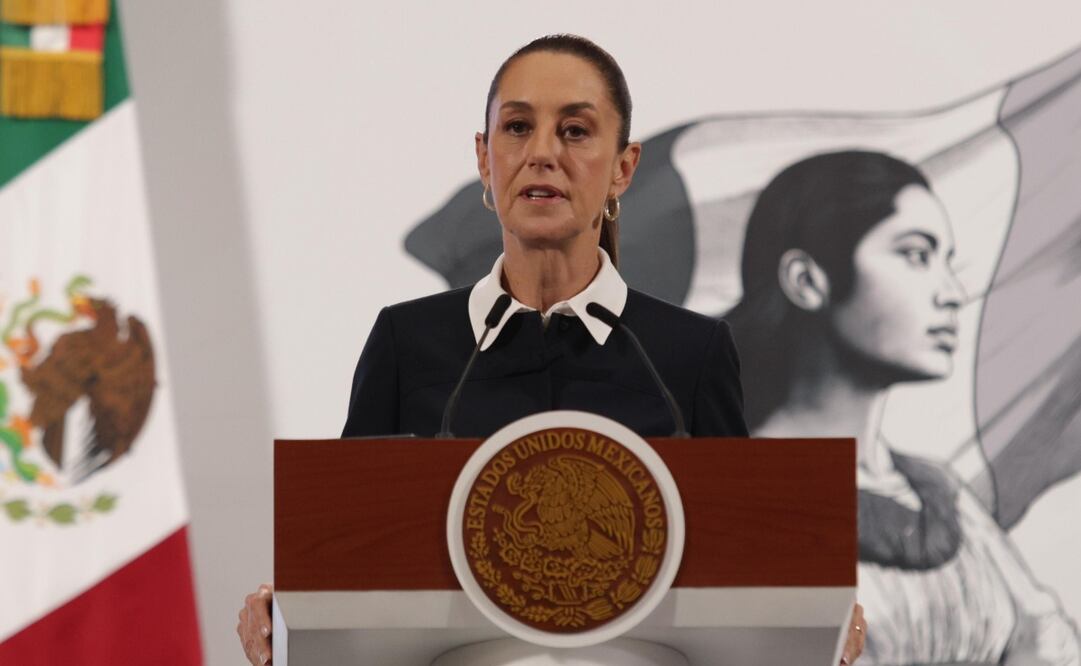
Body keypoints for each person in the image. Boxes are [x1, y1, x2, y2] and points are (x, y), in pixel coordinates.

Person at [237, 35, 865, 665]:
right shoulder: (409, 343)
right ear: (485, 159)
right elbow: (347, 561)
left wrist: (816, 617)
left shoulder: (690, 353)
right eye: (516, 127)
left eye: (574, 130)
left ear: (623, 168)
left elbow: (746, 568)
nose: (541, 153)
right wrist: (283, 616)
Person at [727, 150, 1079, 664]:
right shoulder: (732, 494)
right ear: (807, 280)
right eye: (916, 255)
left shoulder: (940, 493)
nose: (953, 293)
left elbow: (1047, 643)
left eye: (947, 262)